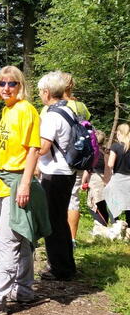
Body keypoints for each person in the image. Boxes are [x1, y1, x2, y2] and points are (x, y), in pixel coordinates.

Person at [0, 66, 50, 315]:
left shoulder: (26, 110)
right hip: (4, 182)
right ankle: (24, 290)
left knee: (7, 244)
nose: (6, 88)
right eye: (2, 83)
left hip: (16, 183)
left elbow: (34, 149)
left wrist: (25, 185)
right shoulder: (7, 110)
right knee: (21, 239)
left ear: (20, 85)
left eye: (12, 83)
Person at [37, 71, 77, 281]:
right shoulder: (69, 110)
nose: (40, 95)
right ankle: (67, 264)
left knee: (53, 221)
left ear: (46, 92)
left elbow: (43, 148)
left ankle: (59, 268)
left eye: (40, 92)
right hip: (67, 171)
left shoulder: (52, 115)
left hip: (54, 173)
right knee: (60, 220)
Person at [61, 72, 91, 246]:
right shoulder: (81, 106)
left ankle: (56, 235)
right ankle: (72, 238)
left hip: (59, 158)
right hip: (78, 157)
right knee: (74, 197)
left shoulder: (53, 105)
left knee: (55, 198)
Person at [103, 123, 130, 224]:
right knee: (129, 204)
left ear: (119, 133)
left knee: (111, 199)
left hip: (118, 178)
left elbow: (110, 164)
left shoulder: (115, 146)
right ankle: (128, 229)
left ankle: (115, 223)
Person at [82, 130, 109, 225]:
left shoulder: (93, 153)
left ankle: (100, 225)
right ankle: (104, 224)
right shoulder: (106, 153)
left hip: (94, 180)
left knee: (93, 204)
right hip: (104, 180)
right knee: (102, 204)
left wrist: (83, 182)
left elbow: (87, 170)